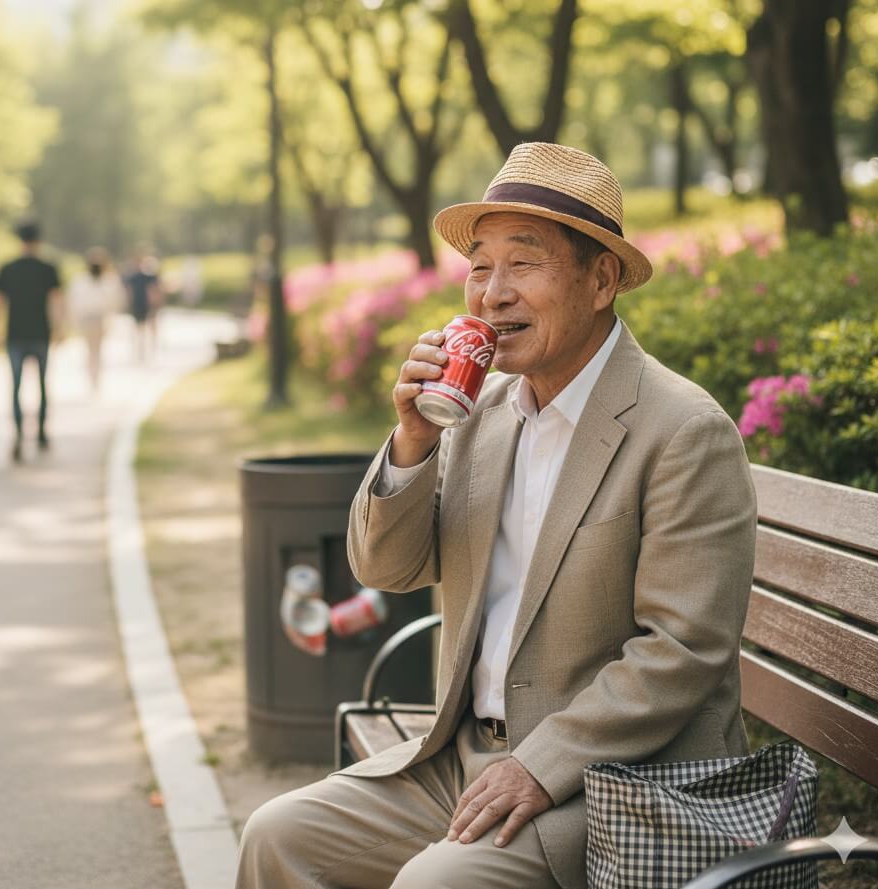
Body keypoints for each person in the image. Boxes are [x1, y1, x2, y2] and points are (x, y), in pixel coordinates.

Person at [238, 144, 758, 889]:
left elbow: (682, 650)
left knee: (434, 883)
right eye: (479, 267)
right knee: (277, 835)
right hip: (464, 758)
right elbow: (384, 568)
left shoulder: (682, 430)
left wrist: (538, 765)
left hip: (617, 781)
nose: (492, 292)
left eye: (523, 262)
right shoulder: (480, 414)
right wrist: (412, 442)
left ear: (601, 279)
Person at [0, 220, 64, 463]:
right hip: (40, 333)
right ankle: (41, 431)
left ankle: (19, 434)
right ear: (39, 241)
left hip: (15, 334)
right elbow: (57, 300)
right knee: (42, 384)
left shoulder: (8, 268)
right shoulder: (48, 268)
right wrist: (59, 328)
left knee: (16, 386)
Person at [67, 246, 124, 392]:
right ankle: (94, 377)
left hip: (97, 319)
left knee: (93, 351)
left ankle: (94, 377)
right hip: (92, 319)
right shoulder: (99, 280)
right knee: (94, 351)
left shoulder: (104, 280)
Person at [123, 247, 163, 362]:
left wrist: (128, 304)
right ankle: (147, 348)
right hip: (145, 305)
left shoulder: (133, 277)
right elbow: (153, 291)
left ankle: (142, 349)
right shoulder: (148, 276)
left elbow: (129, 292)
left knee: (140, 328)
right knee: (146, 328)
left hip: (139, 305)